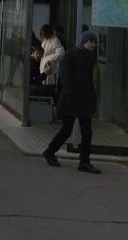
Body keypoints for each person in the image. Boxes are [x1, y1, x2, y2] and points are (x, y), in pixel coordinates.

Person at [42, 31, 100, 173]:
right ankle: (50, 151)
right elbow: (65, 78)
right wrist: (71, 96)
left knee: (87, 132)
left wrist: (93, 100)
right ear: (83, 41)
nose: (92, 44)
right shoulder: (70, 56)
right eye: (89, 41)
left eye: (94, 41)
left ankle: (84, 162)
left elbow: (90, 81)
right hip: (71, 100)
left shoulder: (91, 57)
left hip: (85, 100)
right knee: (66, 130)